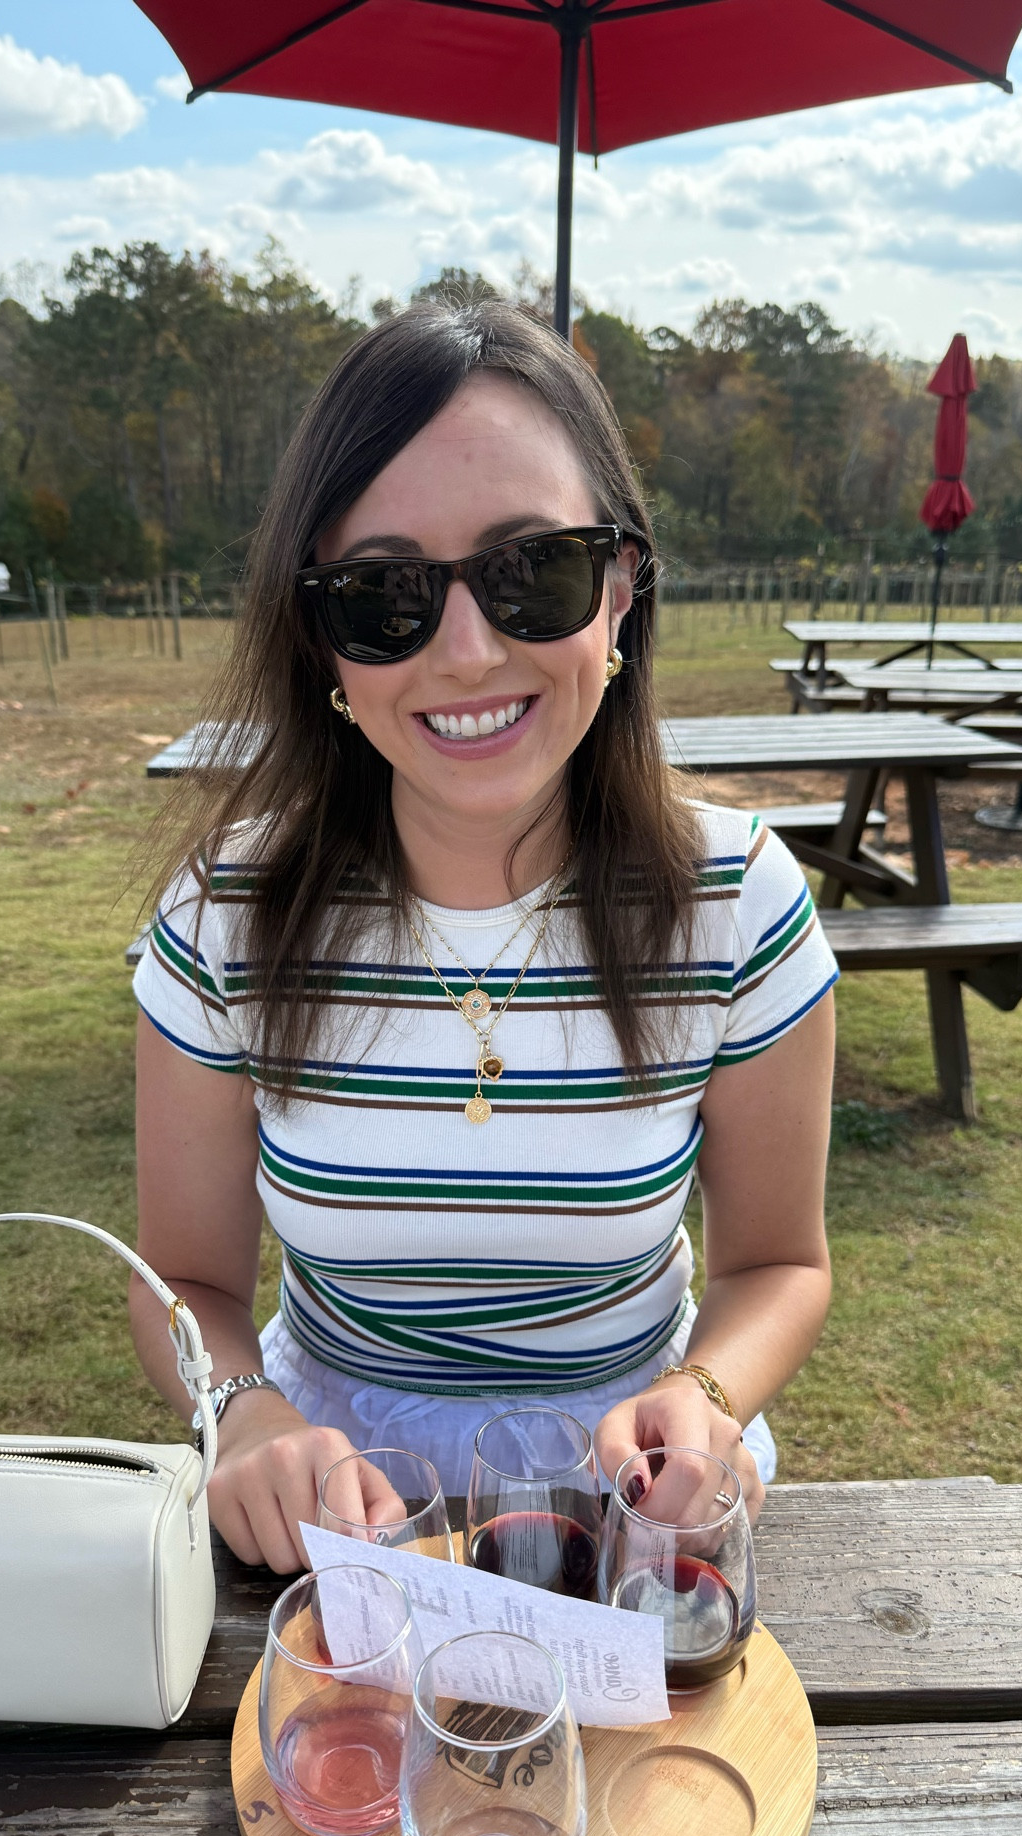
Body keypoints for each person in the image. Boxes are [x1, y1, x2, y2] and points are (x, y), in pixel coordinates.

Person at [131, 299, 837, 1573]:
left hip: (634, 1493)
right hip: (329, 1510)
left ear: (622, 589)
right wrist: (244, 1417)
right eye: (384, 594)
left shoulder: (740, 900)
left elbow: (781, 1261)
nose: (467, 651)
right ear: (322, 644)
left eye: (533, 572)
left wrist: (715, 1396)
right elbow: (186, 1278)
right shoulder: (221, 918)